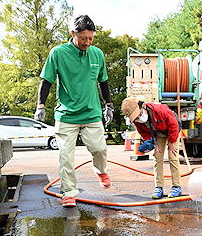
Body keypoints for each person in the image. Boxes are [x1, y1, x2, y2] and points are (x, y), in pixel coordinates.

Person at [34, 15, 113, 207]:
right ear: (73, 34)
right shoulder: (58, 53)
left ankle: (100, 170)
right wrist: (40, 105)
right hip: (67, 115)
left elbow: (103, 81)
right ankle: (68, 191)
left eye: (91, 38)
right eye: (84, 38)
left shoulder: (97, 54)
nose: (88, 42)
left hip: (92, 113)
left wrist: (108, 105)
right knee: (66, 157)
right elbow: (46, 81)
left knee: (100, 148)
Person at [121, 97, 182, 199]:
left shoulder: (161, 110)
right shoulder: (137, 121)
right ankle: (159, 187)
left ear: (142, 106)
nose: (139, 118)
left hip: (172, 131)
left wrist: (171, 143)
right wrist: (152, 143)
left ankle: (176, 186)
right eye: (136, 117)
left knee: (173, 156)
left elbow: (174, 125)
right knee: (157, 157)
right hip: (158, 134)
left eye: (139, 114)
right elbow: (144, 133)